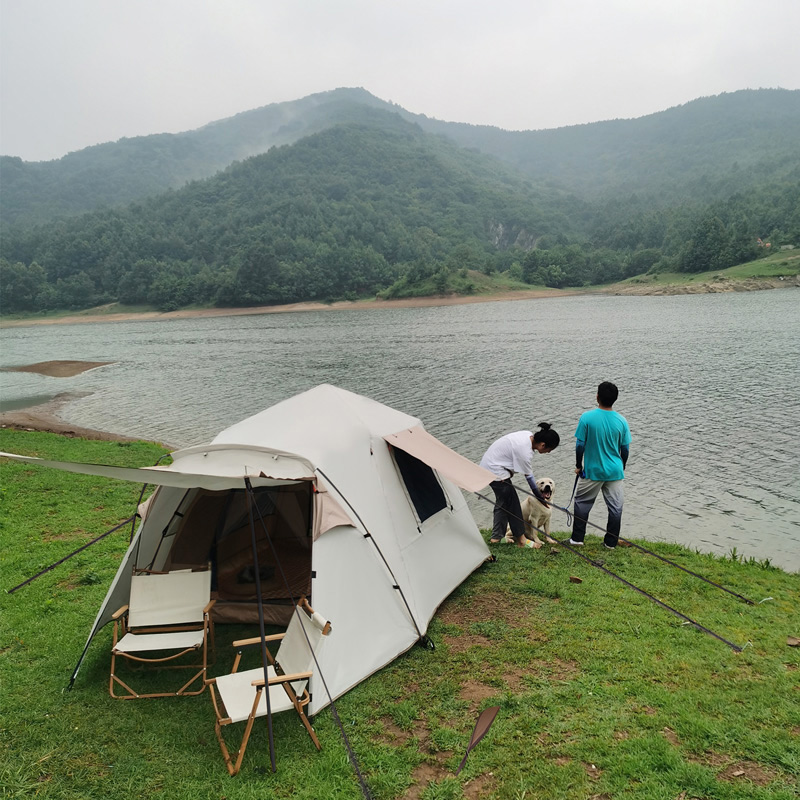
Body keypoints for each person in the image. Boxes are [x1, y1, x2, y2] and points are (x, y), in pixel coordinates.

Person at [568, 381, 631, 549]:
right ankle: (610, 543)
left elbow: (580, 445)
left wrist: (578, 464)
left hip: (593, 470)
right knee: (616, 508)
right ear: (615, 399)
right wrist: (622, 465)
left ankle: (577, 539)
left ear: (597, 397)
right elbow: (625, 449)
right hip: (615, 471)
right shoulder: (622, 421)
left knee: (582, 503)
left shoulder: (587, 418)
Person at [479, 423, 560, 547]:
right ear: (543, 445)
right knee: (513, 505)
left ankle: (496, 537)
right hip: (495, 471)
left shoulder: (527, 435)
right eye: (549, 449)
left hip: (488, 466)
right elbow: (530, 480)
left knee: (503, 503)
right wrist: (540, 498)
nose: (548, 452)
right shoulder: (524, 452)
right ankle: (522, 541)